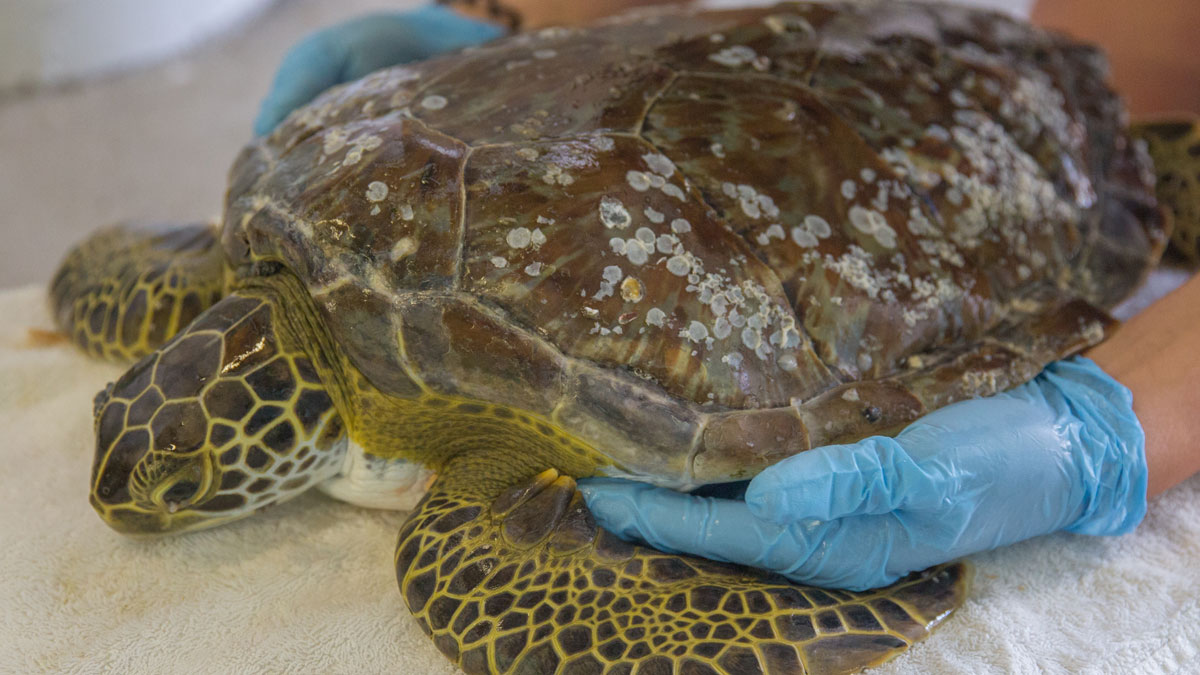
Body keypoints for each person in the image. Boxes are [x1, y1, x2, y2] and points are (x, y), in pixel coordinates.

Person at [252, 0, 1200, 592]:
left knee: (1153, 98)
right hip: (778, 45)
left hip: (1014, 107)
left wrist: (1115, 430)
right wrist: (542, 44)